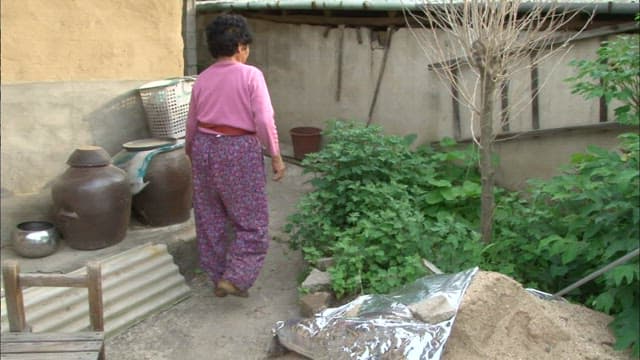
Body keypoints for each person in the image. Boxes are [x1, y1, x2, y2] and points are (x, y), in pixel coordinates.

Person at [185, 14, 286, 298]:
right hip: (238, 148)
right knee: (251, 219)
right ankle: (236, 276)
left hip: (204, 146)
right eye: (247, 46)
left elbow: (191, 123)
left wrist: (190, 153)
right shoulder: (251, 75)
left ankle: (218, 276)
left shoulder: (202, 79)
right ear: (240, 46)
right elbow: (264, 120)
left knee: (210, 217)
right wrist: (275, 155)